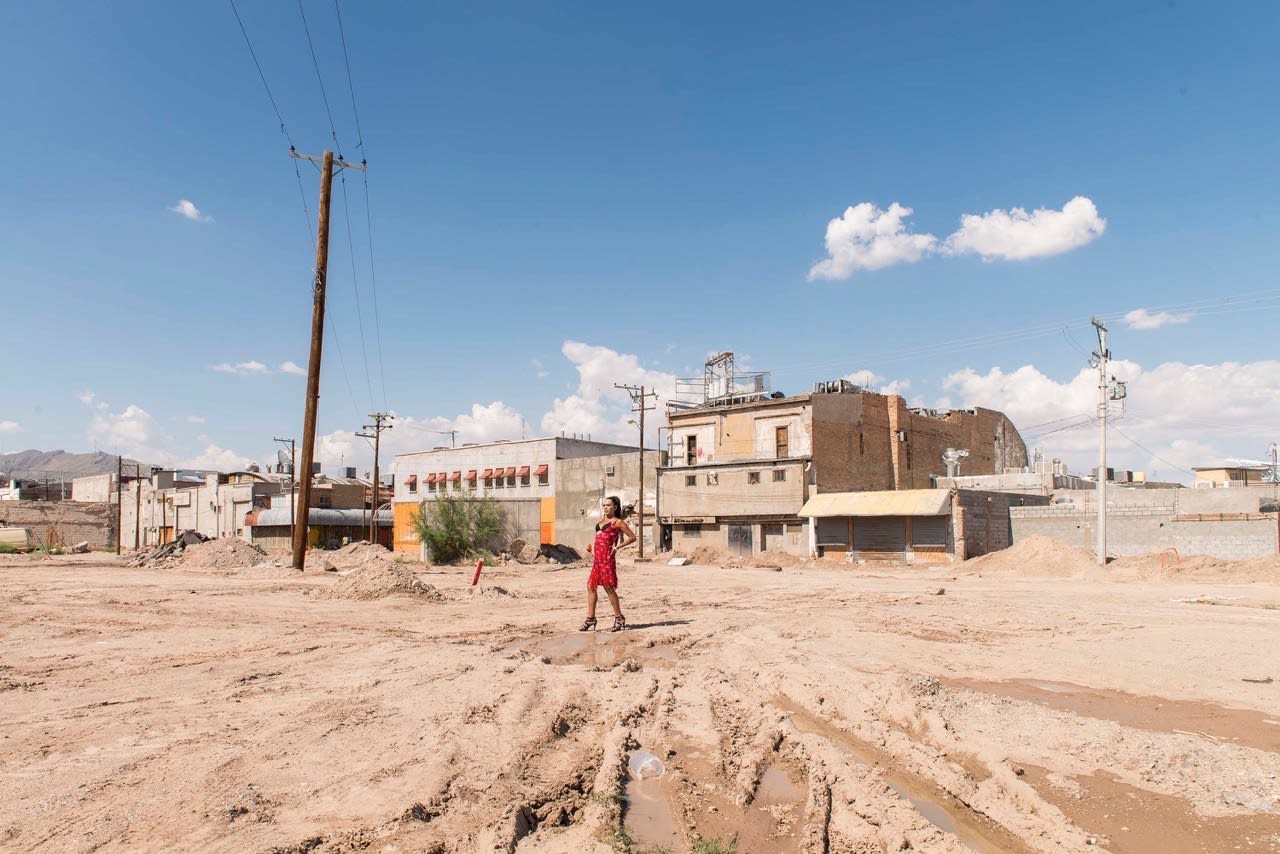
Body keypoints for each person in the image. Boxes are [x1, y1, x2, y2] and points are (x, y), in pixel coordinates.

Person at [581, 495, 636, 632]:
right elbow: (599, 538)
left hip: (607, 558)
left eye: (608, 505)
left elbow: (632, 537)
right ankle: (590, 618)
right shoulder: (601, 521)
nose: (605, 507)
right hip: (597, 558)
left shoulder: (618, 522)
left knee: (608, 587)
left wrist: (617, 547)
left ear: (615, 507)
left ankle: (619, 617)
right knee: (591, 586)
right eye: (604, 505)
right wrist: (591, 548)